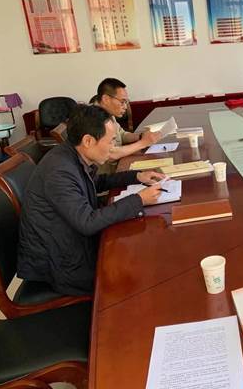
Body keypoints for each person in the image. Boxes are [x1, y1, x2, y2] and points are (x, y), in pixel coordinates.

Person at [17, 105, 166, 295]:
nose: (113, 148)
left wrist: (137, 176)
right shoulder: (59, 172)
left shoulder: (71, 154)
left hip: (72, 246)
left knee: (142, 249)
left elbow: (96, 182)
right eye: (110, 141)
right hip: (62, 264)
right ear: (88, 140)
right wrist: (139, 200)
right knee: (144, 275)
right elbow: (87, 222)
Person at [92, 78, 161, 162]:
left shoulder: (107, 112)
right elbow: (110, 154)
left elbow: (121, 135)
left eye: (126, 102)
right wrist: (143, 143)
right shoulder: (93, 119)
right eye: (122, 102)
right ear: (106, 99)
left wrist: (141, 136)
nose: (125, 107)